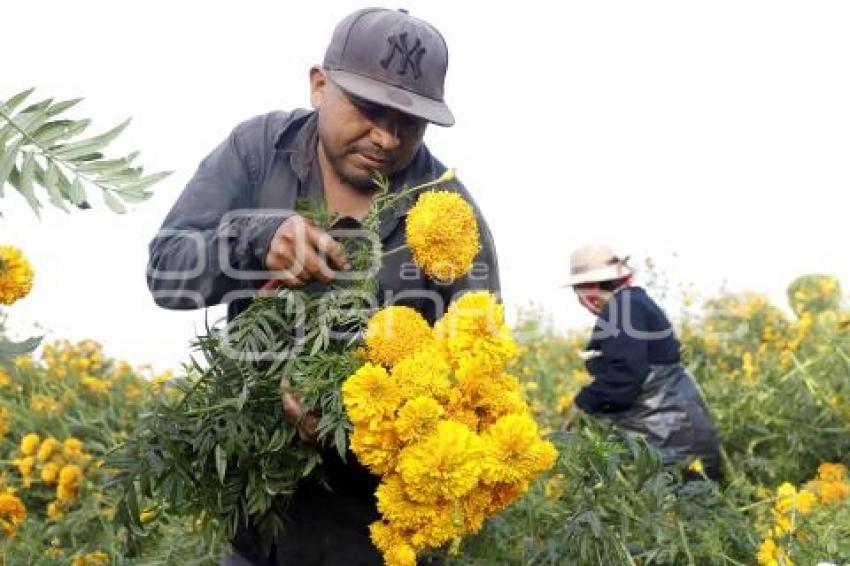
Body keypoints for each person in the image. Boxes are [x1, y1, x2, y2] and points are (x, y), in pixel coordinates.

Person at [146, 8, 500, 566]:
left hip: (377, 534)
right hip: (259, 528)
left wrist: (357, 422)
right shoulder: (257, 151)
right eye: (368, 109)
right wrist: (256, 240)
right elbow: (166, 272)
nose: (386, 136)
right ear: (319, 84)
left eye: (409, 122)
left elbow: (479, 389)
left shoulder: (448, 213)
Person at [565, 243, 721, 480]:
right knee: (706, 504)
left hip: (664, 435)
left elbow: (625, 376)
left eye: (579, 289)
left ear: (591, 288)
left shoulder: (622, 309)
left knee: (676, 507)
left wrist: (581, 404)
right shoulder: (637, 303)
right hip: (683, 426)